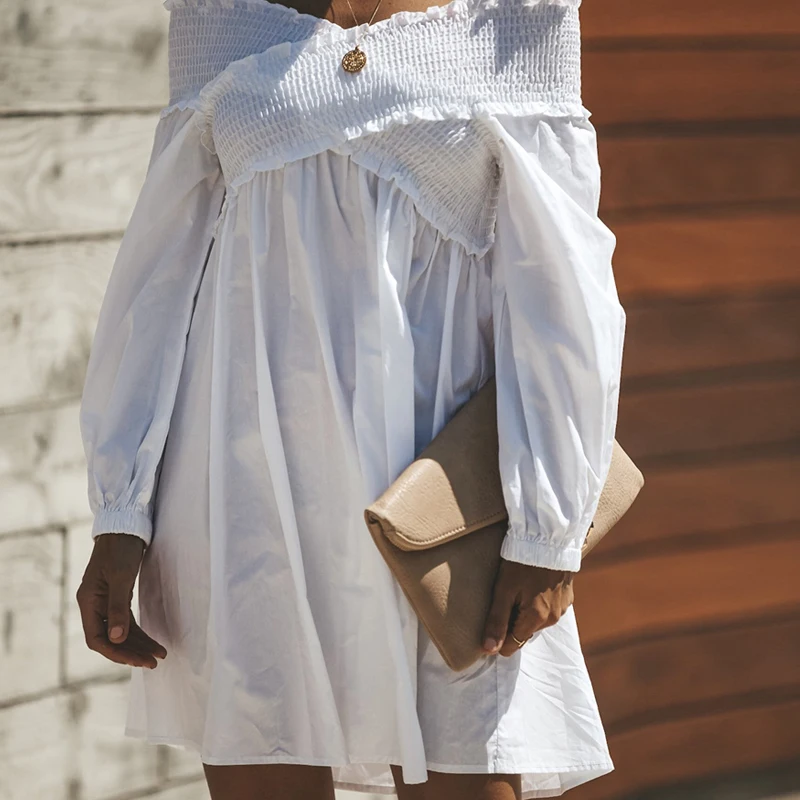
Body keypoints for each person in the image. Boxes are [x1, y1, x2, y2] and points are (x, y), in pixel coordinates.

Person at [75, 0, 626, 797]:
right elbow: (157, 277)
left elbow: (564, 289)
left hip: (446, 509)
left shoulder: (517, 19)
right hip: (249, 500)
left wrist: (549, 532)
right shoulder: (219, 17)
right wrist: (121, 510)